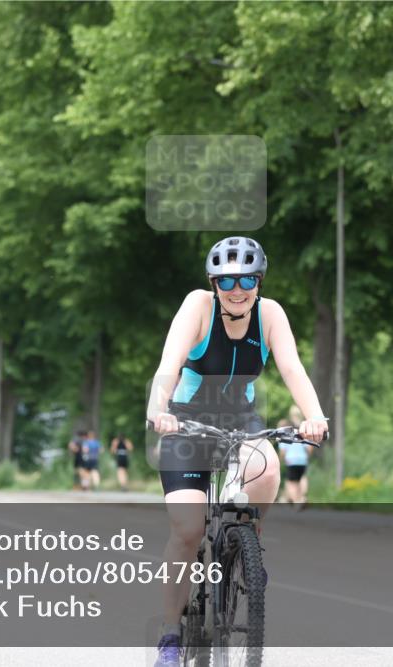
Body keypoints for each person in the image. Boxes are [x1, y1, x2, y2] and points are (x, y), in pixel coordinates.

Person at [147, 236, 328, 667]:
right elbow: (168, 365)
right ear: (214, 282)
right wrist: (159, 408)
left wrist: (315, 416)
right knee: (188, 529)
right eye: (227, 280)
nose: (237, 287)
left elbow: (292, 368)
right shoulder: (198, 306)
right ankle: (171, 637)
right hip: (187, 420)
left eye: (247, 278)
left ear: (259, 280)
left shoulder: (270, 314)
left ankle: (249, 546)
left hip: (239, 418)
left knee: (266, 468)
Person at [278, 409, 313, 509]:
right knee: (302, 477)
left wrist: (281, 460)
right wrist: (306, 457)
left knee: (291, 482)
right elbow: (309, 448)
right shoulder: (303, 432)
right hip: (302, 460)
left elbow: (283, 451)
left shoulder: (286, 433)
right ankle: (303, 497)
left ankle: (297, 502)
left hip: (291, 460)